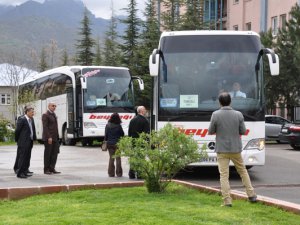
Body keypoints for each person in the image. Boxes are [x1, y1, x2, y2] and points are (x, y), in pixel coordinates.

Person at [208, 92, 257, 207]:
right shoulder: (238, 114)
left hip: (222, 149)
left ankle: (227, 201)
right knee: (243, 171)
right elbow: (243, 131)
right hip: (235, 148)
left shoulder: (215, 114)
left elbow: (210, 131)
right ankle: (251, 195)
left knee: (224, 175)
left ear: (220, 102)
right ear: (230, 101)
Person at [128, 106, 150, 179]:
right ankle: (140, 174)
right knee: (141, 158)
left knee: (133, 157)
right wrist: (148, 142)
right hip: (141, 143)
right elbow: (147, 133)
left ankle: (131, 174)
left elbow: (129, 132)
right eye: (144, 109)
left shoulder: (132, 120)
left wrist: (130, 140)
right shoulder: (145, 121)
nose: (146, 111)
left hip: (133, 142)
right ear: (141, 111)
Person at [15, 106, 36, 178]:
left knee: (27, 157)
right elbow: (17, 131)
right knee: (22, 157)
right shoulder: (22, 119)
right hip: (23, 142)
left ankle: (25, 171)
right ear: (27, 112)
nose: (33, 113)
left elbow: (33, 129)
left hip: (30, 141)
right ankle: (20, 173)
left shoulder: (31, 119)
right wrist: (17, 140)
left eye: (33, 112)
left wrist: (34, 138)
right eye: (32, 112)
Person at [42, 102, 61, 175]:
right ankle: (46, 169)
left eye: (55, 106)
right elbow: (45, 127)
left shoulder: (54, 114)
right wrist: (49, 137)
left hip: (55, 138)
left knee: (55, 153)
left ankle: (52, 168)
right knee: (48, 154)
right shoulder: (45, 115)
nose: (54, 107)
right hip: (49, 138)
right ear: (49, 106)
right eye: (53, 106)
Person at [104, 113, 124, 177]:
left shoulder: (107, 125)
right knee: (118, 158)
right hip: (117, 144)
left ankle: (111, 173)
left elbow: (106, 135)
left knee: (111, 158)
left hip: (110, 144)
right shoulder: (118, 126)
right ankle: (119, 173)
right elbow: (122, 134)